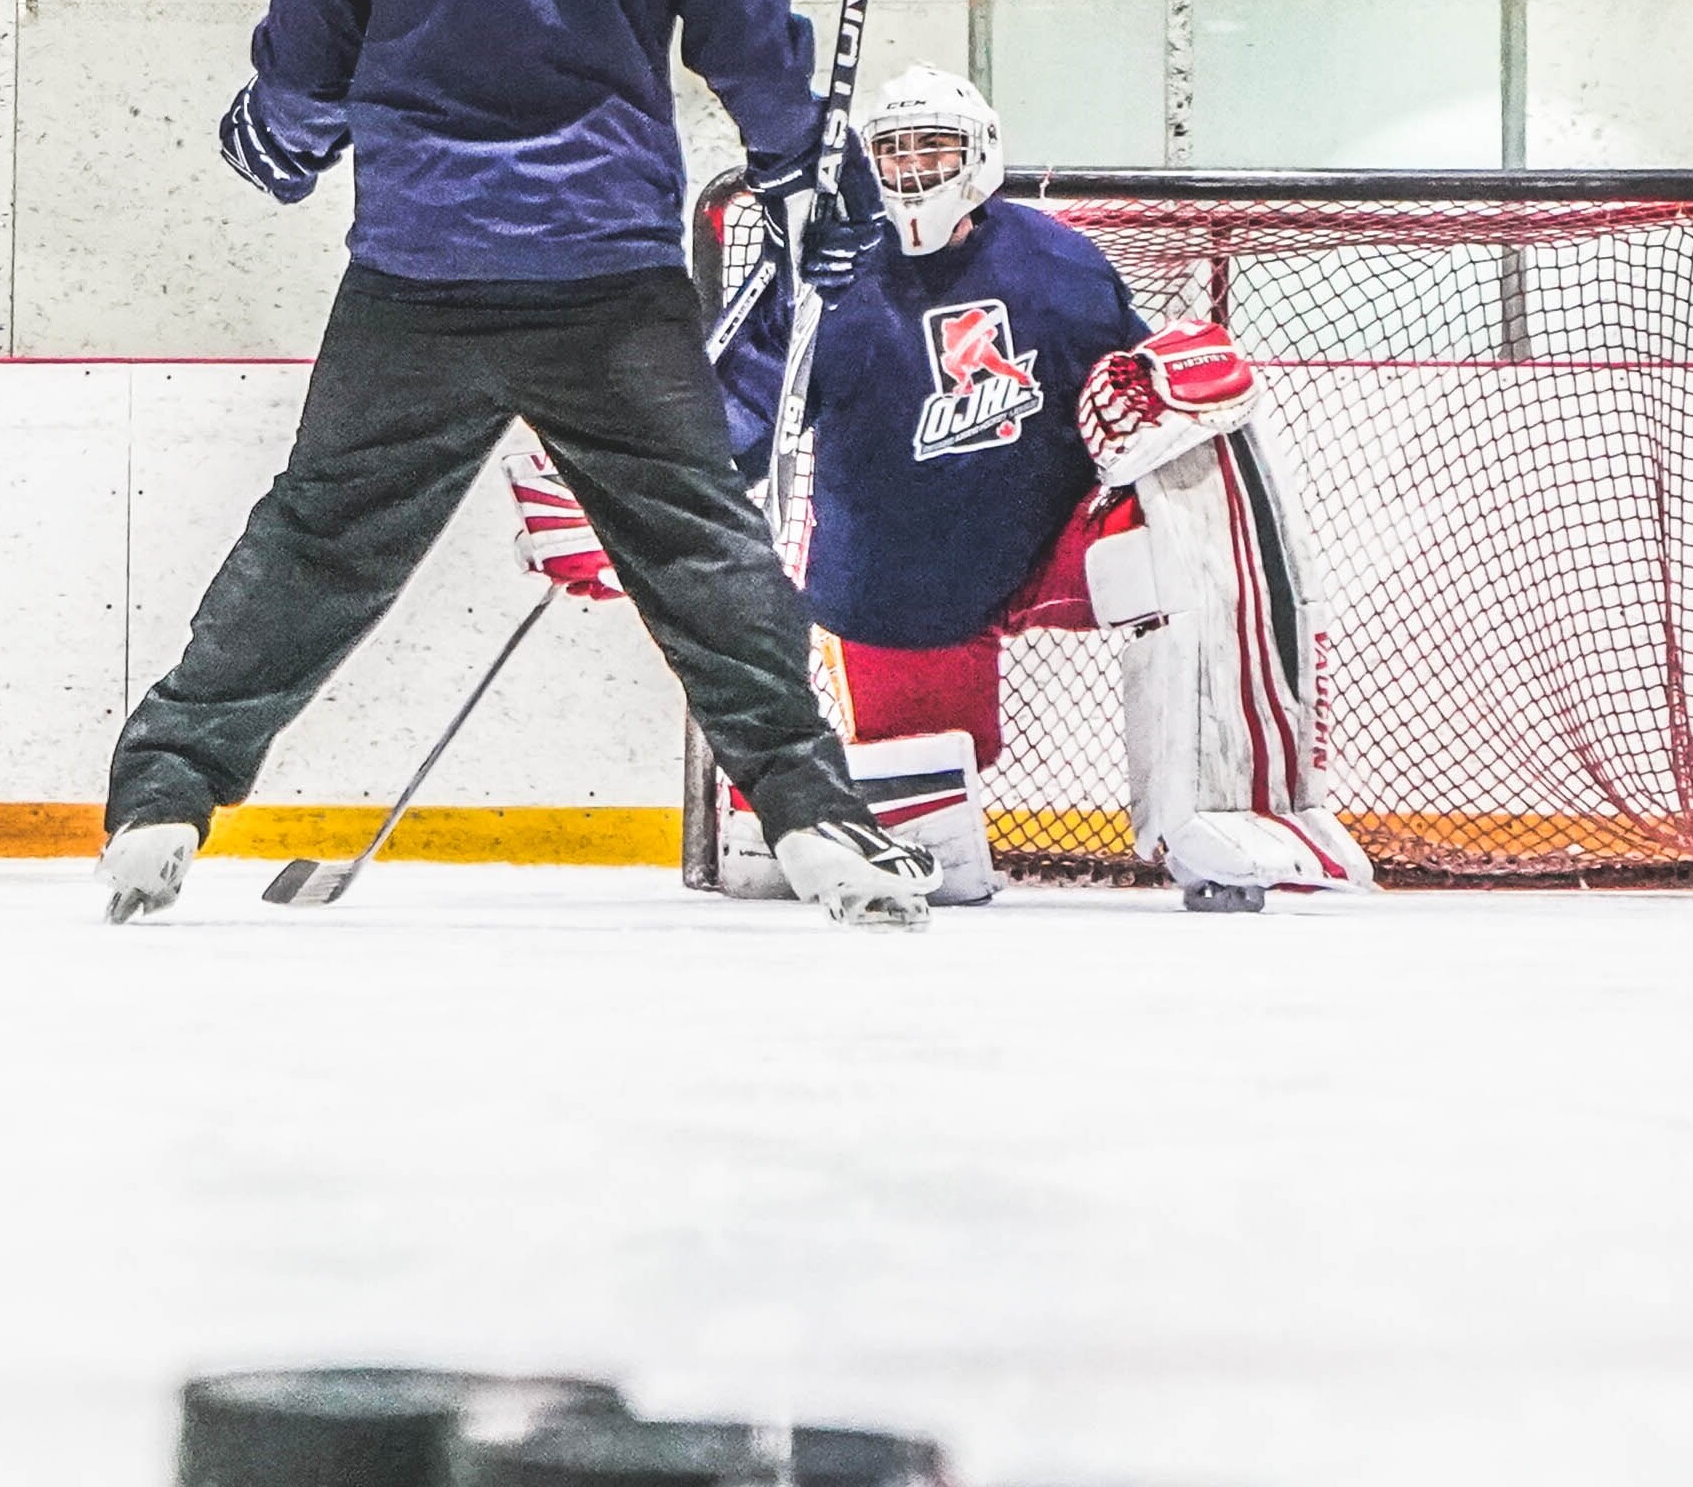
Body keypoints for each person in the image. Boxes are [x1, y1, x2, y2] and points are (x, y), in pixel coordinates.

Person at [99, 0, 931, 931]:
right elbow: (751, 44)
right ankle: (817, 818)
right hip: (601, 267)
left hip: (418, 267)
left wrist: (284, 134)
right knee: (703, 548)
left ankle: (162, 799)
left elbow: (310, 45)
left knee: (318, 542)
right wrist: (809, 181)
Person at [581, 63, 1362, 910]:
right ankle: (797, 814)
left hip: (1052, 540)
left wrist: (1162, 387)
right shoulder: (824, 274)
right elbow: (736, 414)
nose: (914, 170)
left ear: (980, 154)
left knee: (1196, 513)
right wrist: (624, 489)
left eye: (934, 147)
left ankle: (1229, 812)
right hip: (900, 585)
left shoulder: (1059, 263)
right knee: (932, 839)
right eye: (895, 151)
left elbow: (1138, 393)